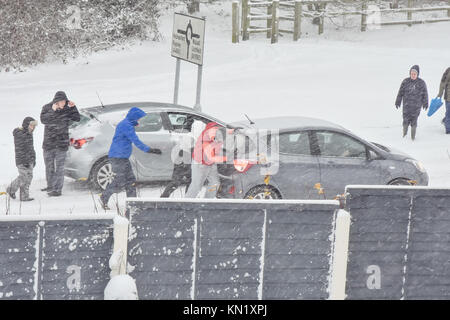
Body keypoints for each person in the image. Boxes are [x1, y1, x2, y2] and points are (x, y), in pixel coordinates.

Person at [100, 107, 162, 210]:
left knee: (130, 180)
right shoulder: (126, 126)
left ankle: (133, 203)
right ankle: (104, 197)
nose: (139, 120)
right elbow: (136, 141)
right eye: (138, 118)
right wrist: (150, 150)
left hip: (122, 157)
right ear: (134, 117)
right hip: (117, 157)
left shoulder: (126, 123)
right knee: (119, 181)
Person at [40, 91, 80, 196]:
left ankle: (57, 190)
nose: (64, 103)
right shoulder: (47, 108)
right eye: (62, 102)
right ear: (56, 101)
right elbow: (43, 120)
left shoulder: (67, 109)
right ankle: (50, 186)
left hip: (61, 144)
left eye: (65, 101)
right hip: (49, 144)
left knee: (59, 168)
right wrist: (52, 111)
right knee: (49, 167)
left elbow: (77, 118)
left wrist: (73, 107)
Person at [185, 122, 228, 199]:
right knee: (196, 185)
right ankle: (186, 203)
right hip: (200, 163)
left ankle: (207, 201)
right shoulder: (207, 136)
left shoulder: (218, 134)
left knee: (215, 183)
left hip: (210, 163)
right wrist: (226, 158)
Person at [6, 117, 38, 201]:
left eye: (34, 126)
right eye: (31, 125)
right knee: (23, 177)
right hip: (22, 160)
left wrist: (33, 158)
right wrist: (26, 159)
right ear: (26, 125)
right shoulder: (19, 133)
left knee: (29, 177)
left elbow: (31, 148)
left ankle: (24, 196)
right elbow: (22, 148)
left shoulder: (29, 134)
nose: (33, 127)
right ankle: (11, 189)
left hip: (29, 159)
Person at [395, 65, 429, 140]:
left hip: (416, 107)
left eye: (414, 74)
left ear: (417, 74)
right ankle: (404, 136)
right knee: (405, 121)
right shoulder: (405, 81)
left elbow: (425, 94)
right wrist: (398, 101)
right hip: (406, 106)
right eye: (412, 73)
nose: (413, 75)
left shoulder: (421, 83)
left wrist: (425, 103)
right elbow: (400, 92)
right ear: (410, 73)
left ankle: (412, 138)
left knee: (414, 121)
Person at [438, 67, 450, 133]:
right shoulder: (448, 71)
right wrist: (440, 94)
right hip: (448, 98)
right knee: (449, 114)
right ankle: (448, 130)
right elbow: (443, 83)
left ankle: (445, 120)